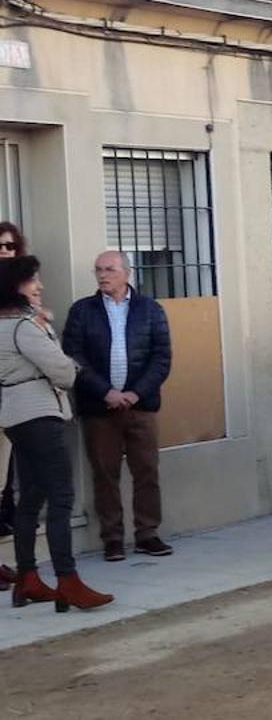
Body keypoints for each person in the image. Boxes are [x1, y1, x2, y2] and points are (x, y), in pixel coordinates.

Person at [0, 255, 113, 611]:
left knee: (30, 497)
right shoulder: (22, 327)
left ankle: (29, 578)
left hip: (16, 416)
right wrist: (63, 358)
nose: (39, 286)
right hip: (39, 415)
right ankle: (68, 580)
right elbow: (64, 372)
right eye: (33, 280)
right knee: (61, 497)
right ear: (16, 287)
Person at [63, 251, 173, 562]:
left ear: (127, 272)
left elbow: (161, 358)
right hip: (100, 408)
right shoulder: (83, 311)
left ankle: (147, 533)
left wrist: (136, 393)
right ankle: (112, 537)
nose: (102, 275)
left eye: (109, 269)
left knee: (147, 470)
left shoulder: (150, 310)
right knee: (104, 473)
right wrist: (106, 392)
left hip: (141, 406)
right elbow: (73, 356)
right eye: (98, 270)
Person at [0, 220, 26, 546]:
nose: (5, 252)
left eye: (10, 246)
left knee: (10, 453)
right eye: (0, 247)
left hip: (15, 386)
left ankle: (8, 512)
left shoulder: (22, 283)